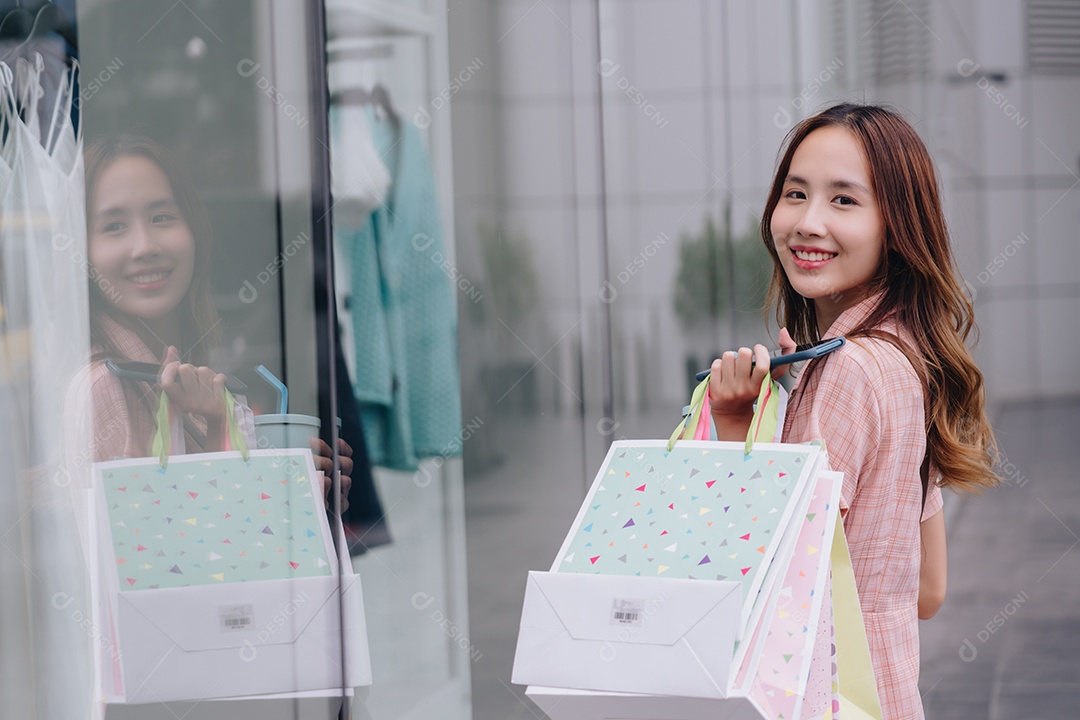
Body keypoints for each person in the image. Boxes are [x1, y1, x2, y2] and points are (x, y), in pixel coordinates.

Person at [707, 103, 998, 718]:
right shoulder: (906, 359)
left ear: (897, 227)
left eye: (844, 200)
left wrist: (736, 427)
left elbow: (770, 572)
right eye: (795, 193)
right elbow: (927, 591)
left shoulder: (848, 370)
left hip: (823, 697)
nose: (808, 222)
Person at [79, 134, 350, 505]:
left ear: (194, 231)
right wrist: (221, 428)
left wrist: (302, 504)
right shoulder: (107, 386)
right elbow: (166, 554)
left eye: (162, 217)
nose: (145, 246)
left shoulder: (170, 373)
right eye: (114, 226)